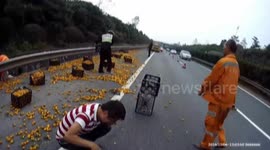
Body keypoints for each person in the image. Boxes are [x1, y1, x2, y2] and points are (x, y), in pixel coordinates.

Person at [196, 39, 240, 150]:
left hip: (218, 99)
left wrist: (202, 89)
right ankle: (222, 142)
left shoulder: (223, 62)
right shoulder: (236, 64)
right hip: (228, 102)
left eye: (224, 46)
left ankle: (205, 146)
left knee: (210, 123)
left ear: (229, 47)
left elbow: (212, 80)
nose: (223, 48)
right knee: (219, 123)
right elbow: (234, 83)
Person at [56, 101, 126, 150]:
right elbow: (67, 136)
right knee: (90, 146)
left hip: (78, 131)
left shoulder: (100, 108)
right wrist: (91, 145)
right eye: (113, 121)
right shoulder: (86, 116)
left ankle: (85, 143)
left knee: (106, 127)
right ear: (105, 113)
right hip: (64, 139)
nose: (114, 123)